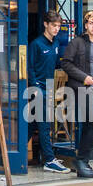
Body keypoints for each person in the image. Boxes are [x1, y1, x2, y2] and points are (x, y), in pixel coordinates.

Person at [58, 10, 93, 179]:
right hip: (79, 89)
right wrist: (84, 78)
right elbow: (66, 63)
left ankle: (83, 163)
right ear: (86, 25)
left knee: (91, 125)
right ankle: (80, 160)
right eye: (91, 23)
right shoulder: (77, 42)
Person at [29, 10, 71, 174]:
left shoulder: (55, 44)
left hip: (49, 88)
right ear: (46, 24)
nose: (56, 29)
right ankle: (49, 160)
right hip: (38, 90)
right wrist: (36, 89)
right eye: (53, 25)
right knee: (45, 126)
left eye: (58, 26)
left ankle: (10, 155)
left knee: (32, 124)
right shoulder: (36, 44)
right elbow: (29, 68)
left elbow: (56, 65)